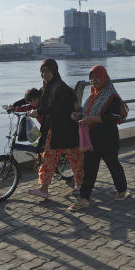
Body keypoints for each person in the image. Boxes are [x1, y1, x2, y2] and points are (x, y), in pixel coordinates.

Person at [69, 65, 128, 211]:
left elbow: (113, 117)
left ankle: (122, 190)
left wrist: (93, 119)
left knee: (113, 165)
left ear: (104, 78)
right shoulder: (92, 96)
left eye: (97, 77)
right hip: (92, 138)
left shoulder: (111, 96)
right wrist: (79, 115)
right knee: (89, 168)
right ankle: (84, 198)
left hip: (108, 138)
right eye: (91, 78)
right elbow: (86, 113)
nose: (93, 80)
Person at [28, 59, 83, 199]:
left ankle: (80, 185)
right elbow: (34, 99)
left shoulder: (61, 88)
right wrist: (14, 106)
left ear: (54, 71)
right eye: (42, 71)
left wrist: (39, 112)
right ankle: (44, 189)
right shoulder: (46, 88)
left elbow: (57, 108)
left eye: (47, 71)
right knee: (48, 158)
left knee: (74, 158)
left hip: (67, 129)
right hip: (54, 130)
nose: (44, 74)